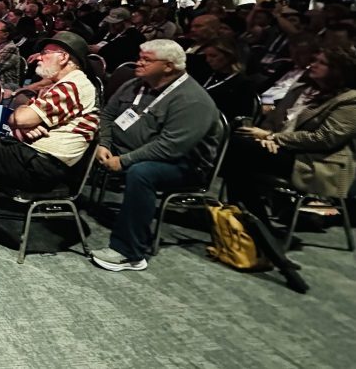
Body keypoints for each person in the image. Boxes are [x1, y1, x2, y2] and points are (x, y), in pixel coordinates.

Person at [0, 32, 100, 245]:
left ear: (64, 57)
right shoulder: (62, 85)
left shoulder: (73, 85)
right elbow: (20, 120)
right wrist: (21, 125)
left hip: (39, 166)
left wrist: (21, 121)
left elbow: (20, 118)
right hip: (31, 156)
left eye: (45, 53)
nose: (39, 57)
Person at [88, 40, 219, 272]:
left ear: (168, 66)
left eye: (146, 60)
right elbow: (107, 115)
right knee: (79, 139)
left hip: (182, 164)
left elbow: (169, 147)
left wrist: (124, 161)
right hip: (124, 148)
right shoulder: (135, 84)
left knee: (142, 173)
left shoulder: (192, 100)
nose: (138, 62)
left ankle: (130, 253)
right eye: (140, 57)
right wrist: (103, 143)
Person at [226, 46, 356, 228]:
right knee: (237, 153)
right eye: (314, 60)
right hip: (284, 149)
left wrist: (274, 138)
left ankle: (250, 223)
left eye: (321, 63)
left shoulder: (350, 100)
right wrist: (266, 138)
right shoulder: (301, 87)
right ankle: (250, 223)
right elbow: (271, 115)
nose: (312, 64)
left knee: (237, 149)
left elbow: (324, 138)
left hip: (314, 160)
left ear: (338, 70)